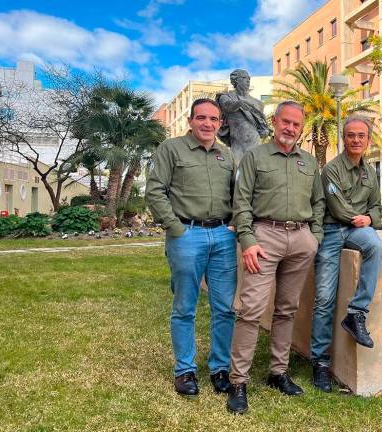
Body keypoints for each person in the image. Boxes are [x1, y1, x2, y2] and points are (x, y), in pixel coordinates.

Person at [226, 101, 325, 414]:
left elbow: (318, 203)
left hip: (300, 239)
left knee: (287, 309)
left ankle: (277, 373)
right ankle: (238, 380)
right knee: (251, 310)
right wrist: (248, 240)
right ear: (274, 121)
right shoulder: (256, 156)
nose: (290, 129)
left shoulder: (309, 162)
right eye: (286, 122)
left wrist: (315, 238)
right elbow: (240, 202)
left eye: (296, 124)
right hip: (263, 237)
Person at [145, 98, 237, 398]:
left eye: (213, 119)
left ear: (220, 122)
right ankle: (185, 370)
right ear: (191, 120)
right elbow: (155, 191)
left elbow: (238, 194)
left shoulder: (227, 155)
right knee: (185, 307)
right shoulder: (171, 149)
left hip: (223, 236)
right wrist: (175, 228)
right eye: (201, 118)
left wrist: (234, 223)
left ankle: (220, 368)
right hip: (187, 235)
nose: (208, 124)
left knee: (224, 308)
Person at [310, 116, 382, 393]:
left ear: (368, 140)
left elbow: (377, 207)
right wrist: (364, 217)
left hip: (356, 230)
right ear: (344, 138)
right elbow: (339, 210)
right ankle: (319, 362)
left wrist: (369, 218)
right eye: (351, 135)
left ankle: (357, 312)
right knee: (324, 298)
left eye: (361, 136)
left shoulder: (370, 172)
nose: (356, 140)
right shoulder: (331, 169)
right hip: (332, 232)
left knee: (376, 246)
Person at [217, 69, 272, 163]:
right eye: (244, 78)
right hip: (237, 144)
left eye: (249, 78)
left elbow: (262, 124)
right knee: (237, 174)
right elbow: (227, 106)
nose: (247, 80)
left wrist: (265, 131)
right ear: (236, 80)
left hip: (255, 144)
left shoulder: (258, 103)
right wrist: (239, 104)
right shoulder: (226, 97)